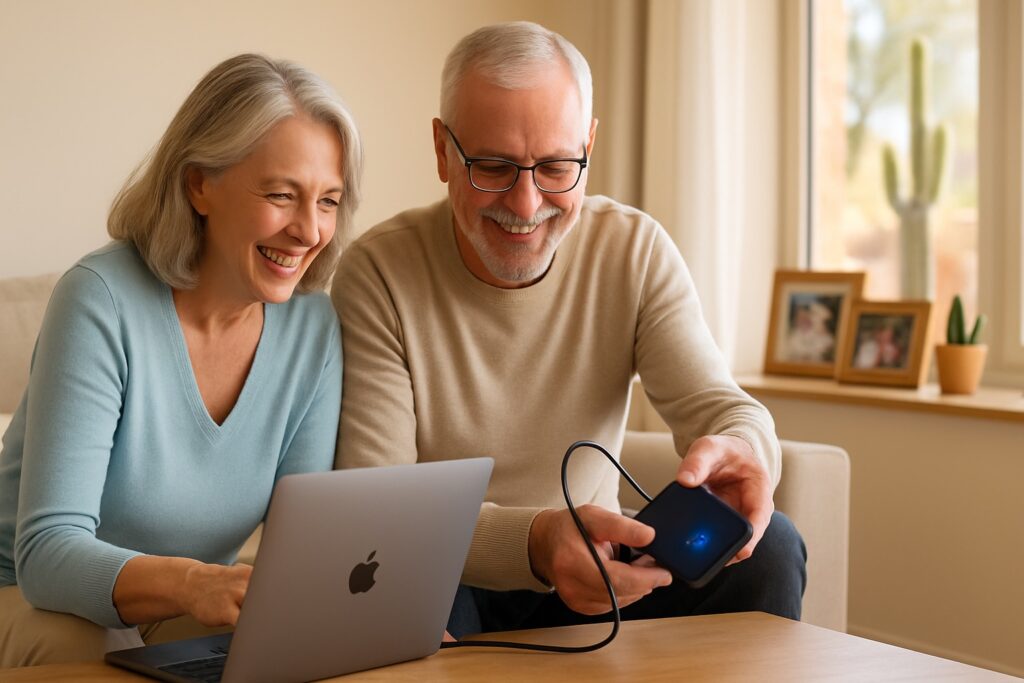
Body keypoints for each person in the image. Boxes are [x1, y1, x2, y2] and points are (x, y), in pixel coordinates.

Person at [332, 21, 806, 639]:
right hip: (449, 571)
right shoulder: (378, 272)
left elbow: (720, 408)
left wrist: (742, 449)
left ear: (589, 144)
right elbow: (379, 507)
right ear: (443, 151)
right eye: (494, 167)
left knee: (770, 549)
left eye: (557, 167)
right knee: (402, 591)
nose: (526, 205)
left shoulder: (634, 251)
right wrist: (535, 540)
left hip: (599, 563)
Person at [0, 53, 362, 667]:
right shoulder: (100, 300)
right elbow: (49, 553)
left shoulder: (313, 328)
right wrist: (197, 584)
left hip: (179, 607)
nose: (309, 231)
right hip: (30, 594)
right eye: (282, 195)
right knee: (83, 649)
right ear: (200, 184)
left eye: (328, 201)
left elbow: (300, 547)